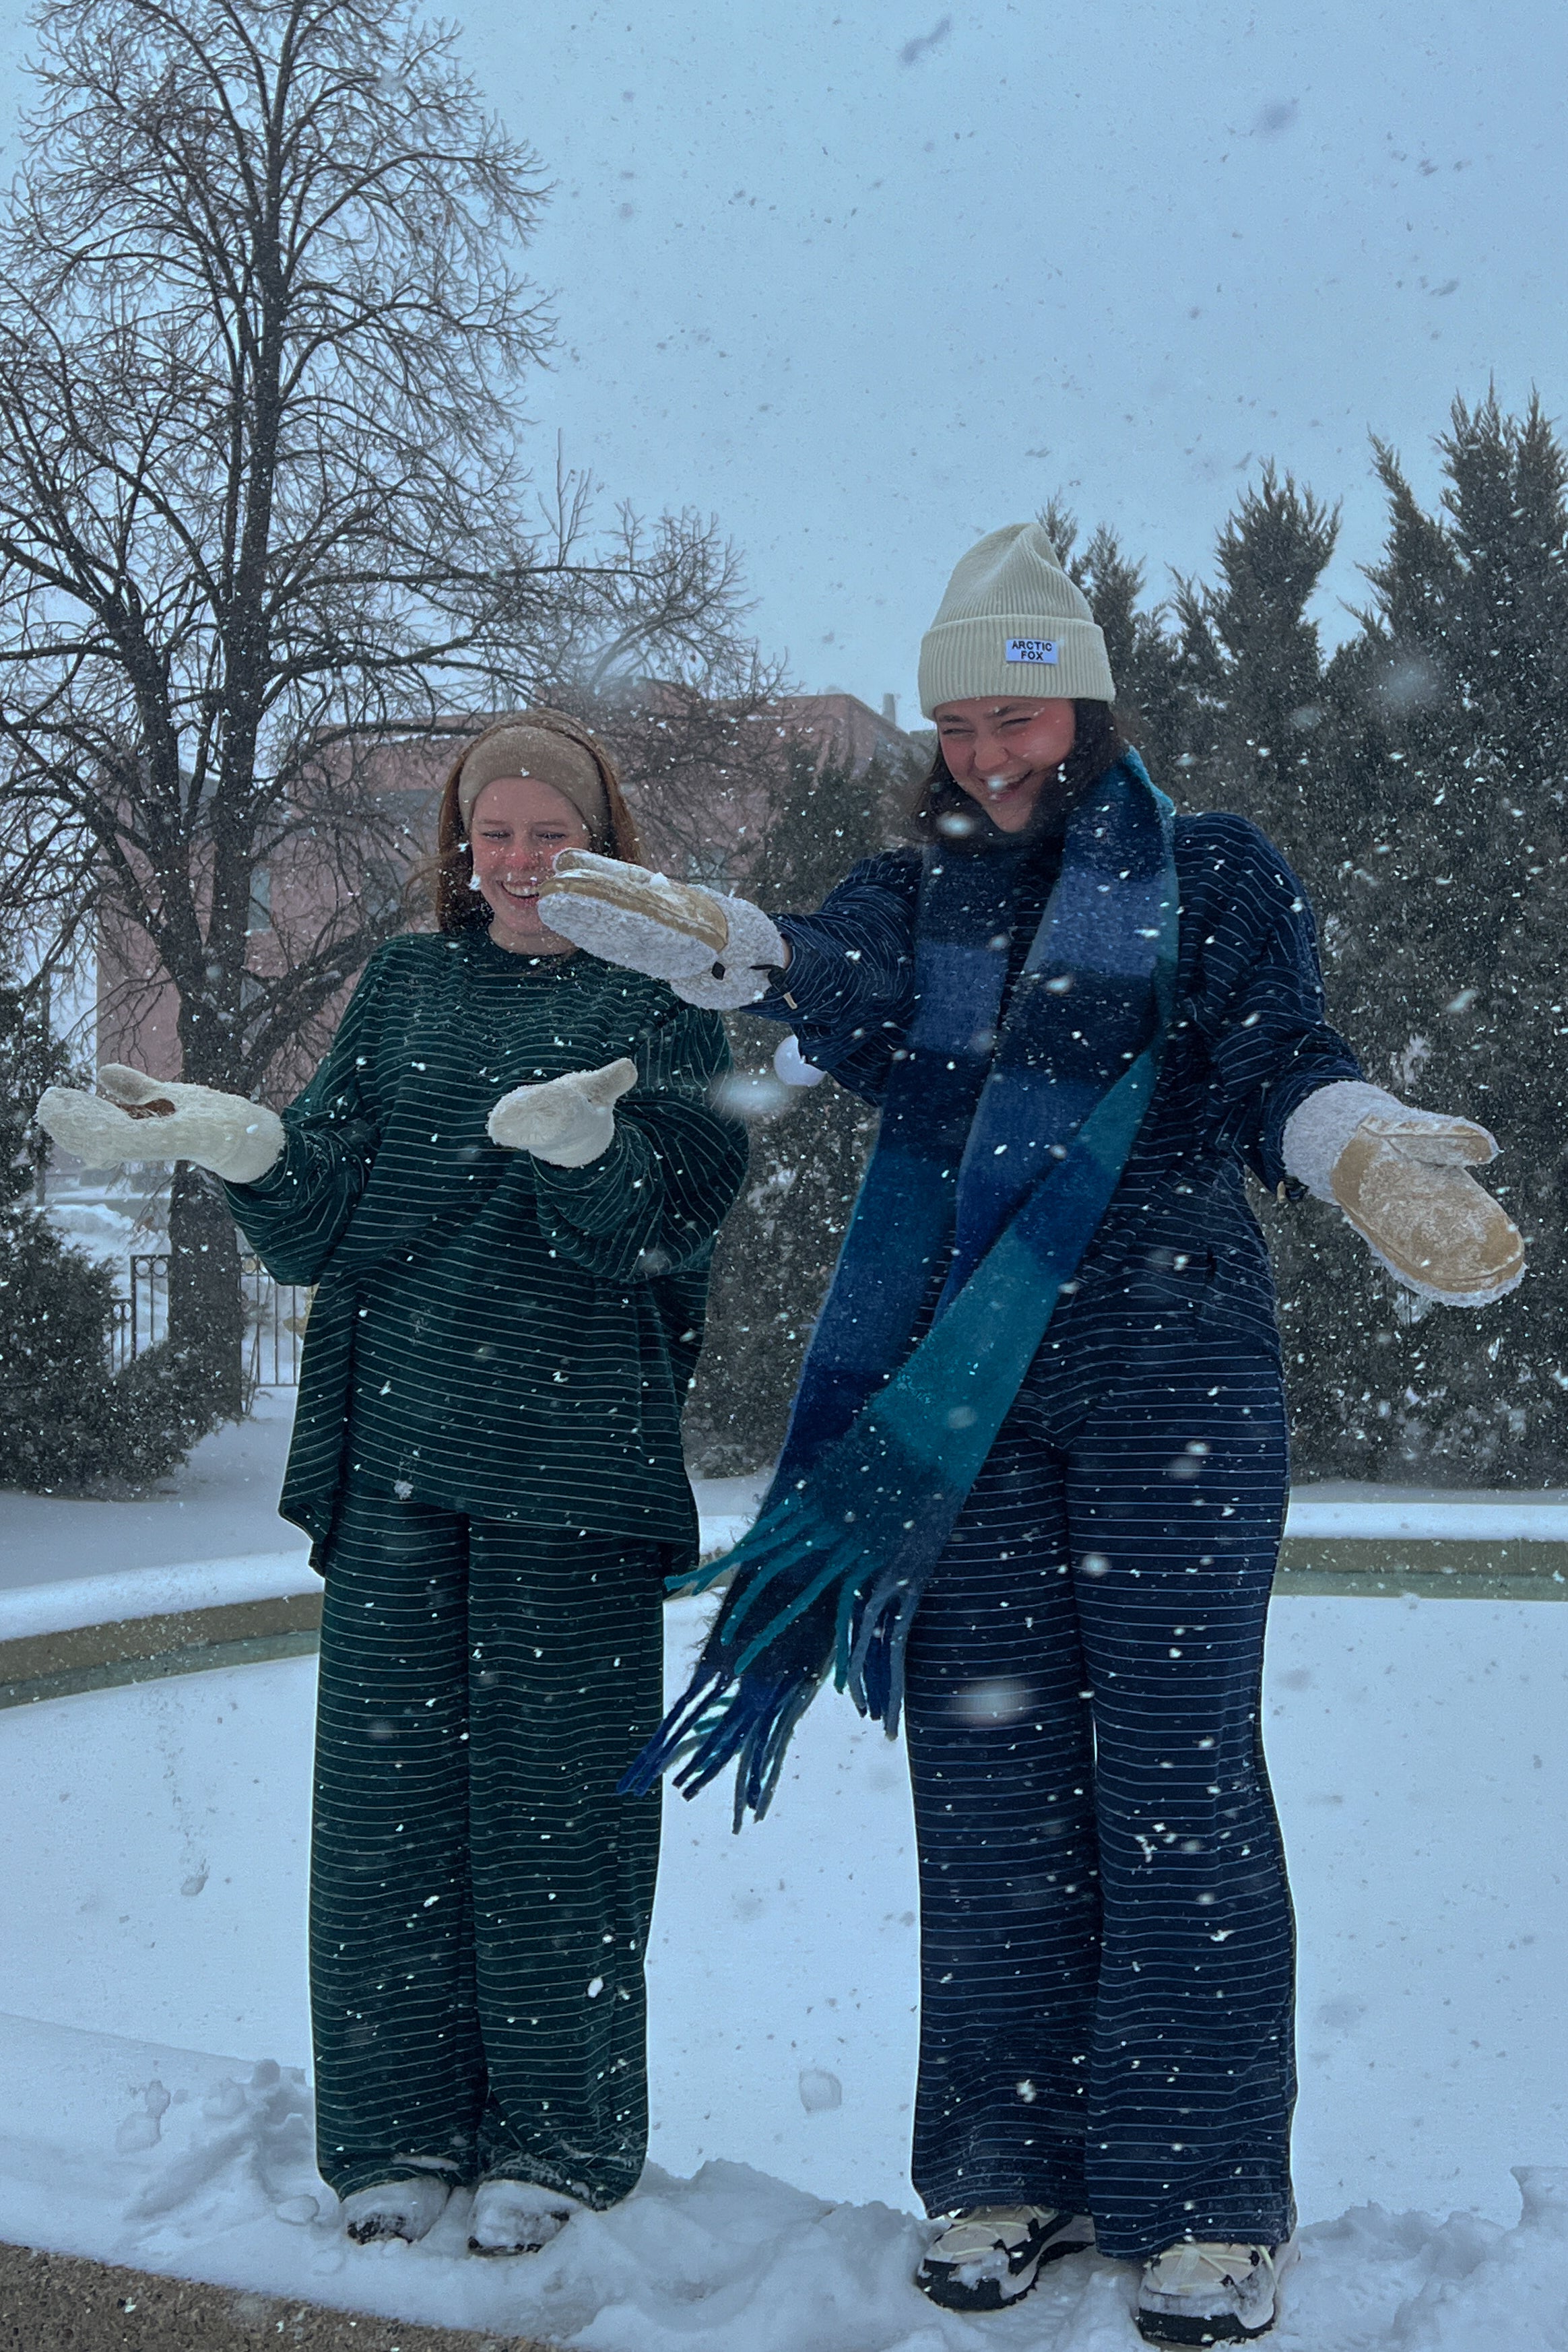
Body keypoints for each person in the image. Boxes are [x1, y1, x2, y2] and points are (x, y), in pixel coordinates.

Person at [535, 529, 1524, 2346]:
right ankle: (1009, 2161)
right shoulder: (919, 901)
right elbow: (817, 980)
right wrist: (725, 941)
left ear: (1086, 703)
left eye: (1024, 710)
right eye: (965, 717)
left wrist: (1363, 1147)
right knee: (989, 1786)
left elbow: (1268, 1054)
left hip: (1175, 1379)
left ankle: (1209, 2197)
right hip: (963, 1402)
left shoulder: (1209, 872)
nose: (994, 749)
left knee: (1177, 1776)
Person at [37, 709, 748, 2259]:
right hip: (401, 1456)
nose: (517, 863)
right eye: (493, 834)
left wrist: (587, 1158)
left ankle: (554, 2143)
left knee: (556, 1818)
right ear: (461, 845)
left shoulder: (673, 1004)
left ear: (602, 841)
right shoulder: (410, 984)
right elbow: (333, 1213)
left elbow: (677, 1224)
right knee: (386, 1817)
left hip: (570, 1463)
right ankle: (395, 2132)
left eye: (548, 833)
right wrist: (246, 1146)